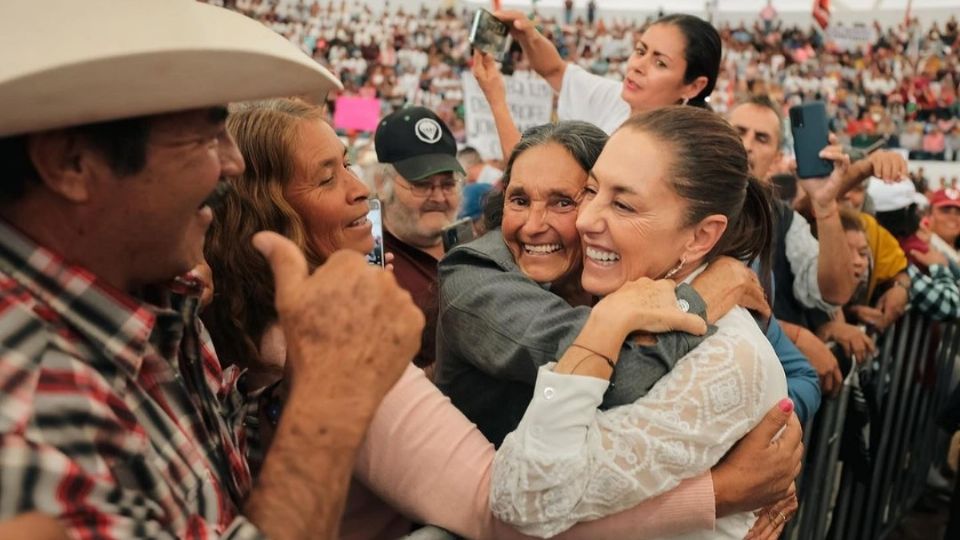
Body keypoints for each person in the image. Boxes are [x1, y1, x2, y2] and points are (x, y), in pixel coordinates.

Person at [203, 98, 803, 540]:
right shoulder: (351, 353)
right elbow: (506, 509)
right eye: (329, 176)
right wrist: (723, 492)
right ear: (268, 211)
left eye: (585, 198)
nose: (363, 189)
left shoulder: (614, 285)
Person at [0, 1, 424, 538]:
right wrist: (330, 396)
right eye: (204, 137)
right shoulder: (31, 395)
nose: (233, 162)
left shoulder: (166, 299)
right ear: (71, 164)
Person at [490, 106, 793, 539]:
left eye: (624, 204)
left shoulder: (726, 358)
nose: (586, 219)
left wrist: (607, 323)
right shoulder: (633, 295)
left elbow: (522, 495)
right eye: (592, 191)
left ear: (701, 236)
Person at [493, 11, 721, 134]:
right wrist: (527, 34)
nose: (637, 65)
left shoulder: (681, 150)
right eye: (640, 51)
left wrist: (495, 98)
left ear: (694, 86)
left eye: (660, 63)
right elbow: (555, 70)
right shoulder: (616, 98)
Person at [374, 106, 464, 373]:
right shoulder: (369, 263)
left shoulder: (469, 244)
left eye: (448, 184)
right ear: (382, 184)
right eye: (422, 184)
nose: (438, 197)